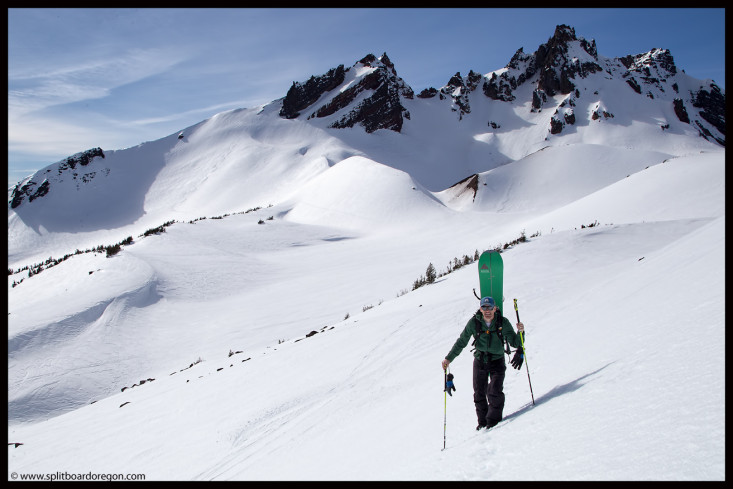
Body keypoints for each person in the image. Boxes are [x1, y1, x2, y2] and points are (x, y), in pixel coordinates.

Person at [441, 296, 525, 430]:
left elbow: (516, 342)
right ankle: (482, 422)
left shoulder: (502, 323)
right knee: (479, 393)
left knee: (494, 392)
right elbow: (462, 341)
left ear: (495, 308)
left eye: (490, 307)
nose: (487, 310)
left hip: (497, 360)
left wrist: (521, 332)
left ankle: (494, 422)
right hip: (480, 360)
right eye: (484, 307)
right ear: (480, 309)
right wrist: (448, 358)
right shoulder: (474, 323)